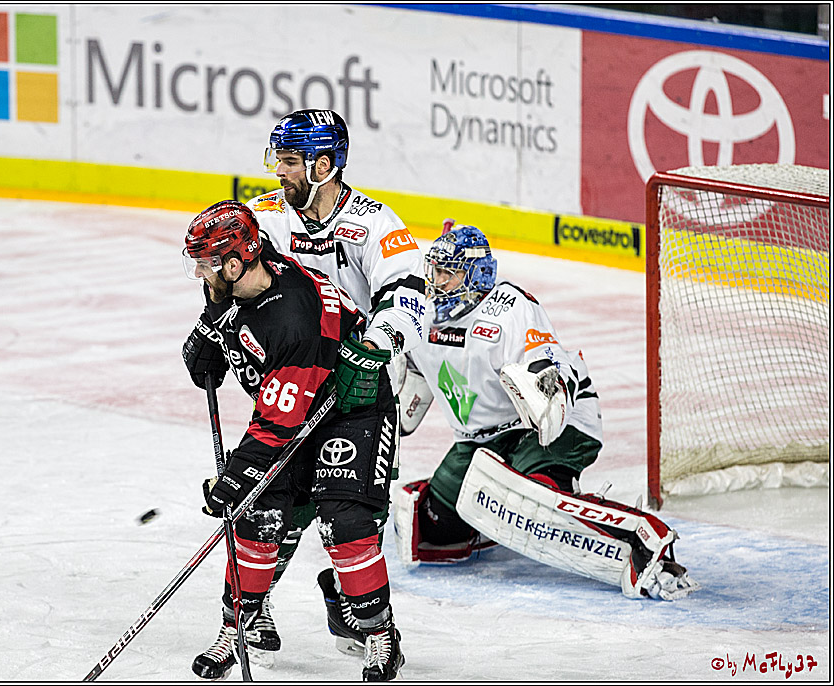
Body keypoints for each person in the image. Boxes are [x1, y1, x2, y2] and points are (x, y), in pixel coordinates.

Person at [388, 221, 699, 600]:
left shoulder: (509, 307)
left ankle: (645, 538)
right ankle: (493, 519)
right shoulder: (421, 312)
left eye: (448, 273)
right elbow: (415, 380)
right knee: (433, 529)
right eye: (434, 271)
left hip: (553, 420)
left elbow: (545, 365)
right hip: (482, 439)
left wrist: (544, 394)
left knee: (534, 497)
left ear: (476, 275)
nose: (437, 283)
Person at [180, 199, 405, 681]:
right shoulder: (250, 276)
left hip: (351, 412)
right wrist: (210, 338)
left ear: (237, 263)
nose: (201, 273)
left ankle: (379, 632)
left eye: (207, 263)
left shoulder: (293, 320)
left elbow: (277, 425)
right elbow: (226, 315)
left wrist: (235, 477)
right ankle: (234, 629)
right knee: (257, 518)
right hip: (300, 404)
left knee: (345, 522)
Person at [241, 109, 426, 656]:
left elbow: (410, 295)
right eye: (279, 160)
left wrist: (370, 350)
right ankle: (253, 610)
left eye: (292, 162)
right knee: (273, 510)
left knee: (349, 515)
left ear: (325, 165)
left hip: (357, 393)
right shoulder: (266, 217)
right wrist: (214, 323)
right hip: (291, 387)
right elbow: (229, 268)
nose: (280, 173)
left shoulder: (374, 224)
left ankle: (357, 611)